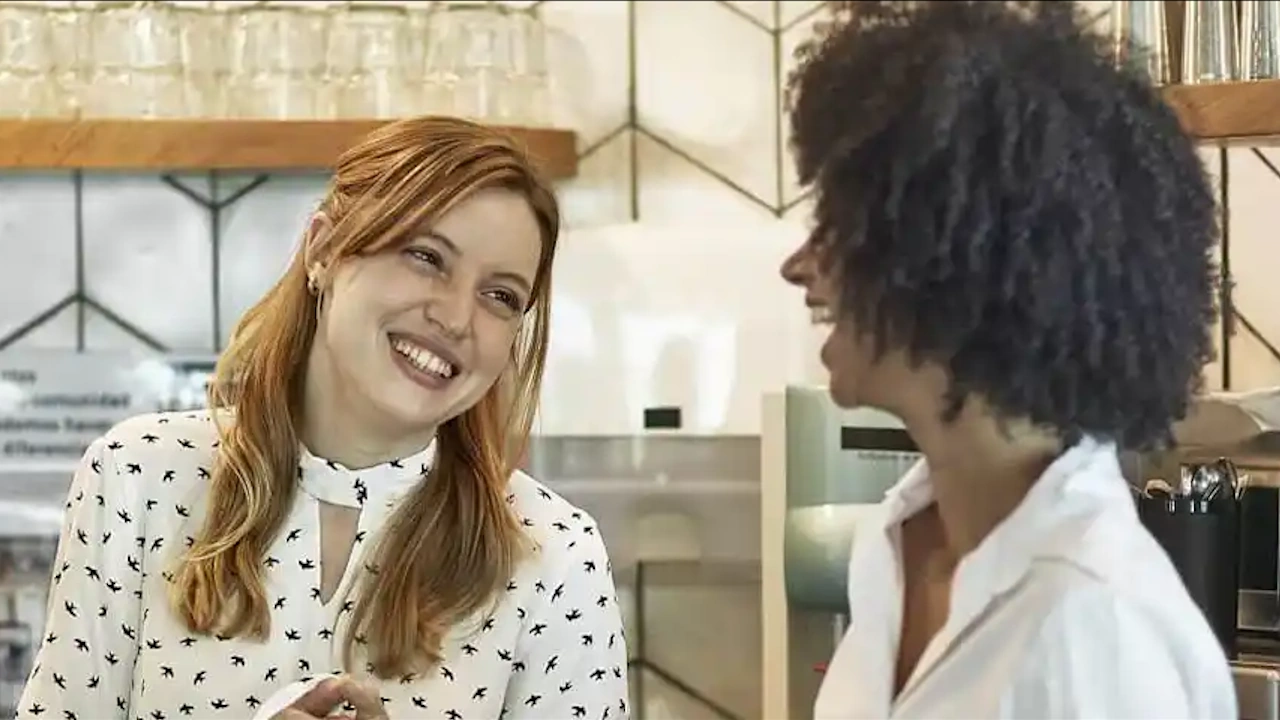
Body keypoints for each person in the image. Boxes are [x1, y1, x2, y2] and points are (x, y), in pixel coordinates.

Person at [16, 117, 630, 720]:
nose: (455, 318)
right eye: (426, 257)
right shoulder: (138, 477)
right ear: (324, 249)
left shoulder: (555, 553)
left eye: (500, 296)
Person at [780, 2, 1236, 718]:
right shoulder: (894, 548)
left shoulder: (1093, 625)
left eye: (838, 225)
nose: (797, 267)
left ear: (960, 256)